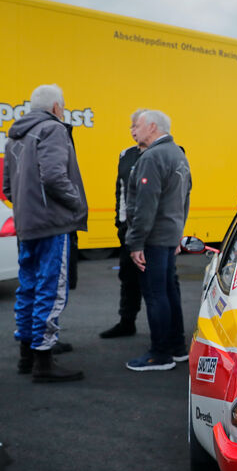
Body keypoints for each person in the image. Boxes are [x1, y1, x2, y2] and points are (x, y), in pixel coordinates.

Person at [3, 84, 87, 382]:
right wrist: (77, 202)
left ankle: (27, 355)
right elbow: (53, 176)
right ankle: (43, 360)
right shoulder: (53, 130)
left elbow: (7, 188)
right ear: (56, 108)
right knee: (51, 289)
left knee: (28, 286)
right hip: (52, 223)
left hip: (27, 224)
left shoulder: (16, 135)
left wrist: (29, 209)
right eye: (62, 107)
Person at [124, 110, 193, 371]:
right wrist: (177, 233)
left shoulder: (152, 156)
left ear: (152, 126)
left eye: (137, 125)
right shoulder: (178, 154)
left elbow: (145, 205)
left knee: (156, 295)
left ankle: (160, 355)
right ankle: (176, 348)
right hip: (168, 235)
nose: (133, 129)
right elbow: (185, 198)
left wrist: (136, 242)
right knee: (168, 291)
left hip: (153, 238)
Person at [100, 109, 147, 339]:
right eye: (130, 126)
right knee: (128, 277)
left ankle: (168, 334)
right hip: (128, 230)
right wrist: (119, 222)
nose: (132, 130)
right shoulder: (125, 154)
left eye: (135, 125)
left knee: (158, 283)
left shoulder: (169, 153)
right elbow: (120, 190)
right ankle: (127, 322)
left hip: (152, 233)